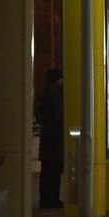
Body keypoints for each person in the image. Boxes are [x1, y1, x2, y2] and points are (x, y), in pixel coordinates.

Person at [34, 67, 64, 209]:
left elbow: (38, 115)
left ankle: (44, 199)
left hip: (46, 137)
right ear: (58, 79)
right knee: (55, 171)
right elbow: (59, 117)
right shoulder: (56, 95)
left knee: (46, 171)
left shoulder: (42, 93)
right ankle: (53, 199)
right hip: (55, 138)